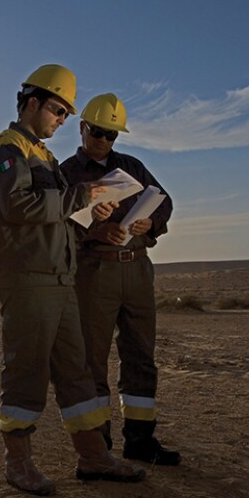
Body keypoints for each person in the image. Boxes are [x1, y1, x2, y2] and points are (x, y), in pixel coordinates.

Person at [0, 65, 145, 496]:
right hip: (28, 279)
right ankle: (18, 463)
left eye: (68, 113)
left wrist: (90, 219)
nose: (63, 119)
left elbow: (56, 217)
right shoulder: (8, 150)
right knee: (26, 370)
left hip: (60, 277)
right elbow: (19, 207)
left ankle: (93, 456)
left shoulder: (45, 157)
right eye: (57, 109)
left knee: (77, 370)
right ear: (31, 102)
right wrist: (81, 196)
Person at [60, 93, 181, 466]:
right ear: (82, 128)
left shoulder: (132, 166)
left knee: (141, 356)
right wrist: (95, 233)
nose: (104, 140)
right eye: (98, 131)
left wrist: (151, 222)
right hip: (95, 273)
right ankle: (99, 448)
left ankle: (141, 440)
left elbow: (164, 202)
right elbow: (54, 227)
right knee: (92, 361)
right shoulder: (65, 174)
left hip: (138, 269)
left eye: (112, 134)